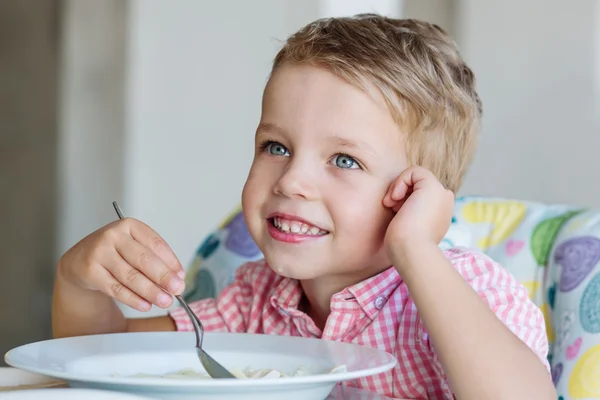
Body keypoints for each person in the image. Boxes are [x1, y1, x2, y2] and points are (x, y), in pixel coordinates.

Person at [52, 14, 556, 399]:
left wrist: (416, 249)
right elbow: (106, 362)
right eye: (276, 147)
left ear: (416, 195)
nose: (292, 180)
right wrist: (78, 281)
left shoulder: (465, 291)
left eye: (344, 159)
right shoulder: (255, 303)